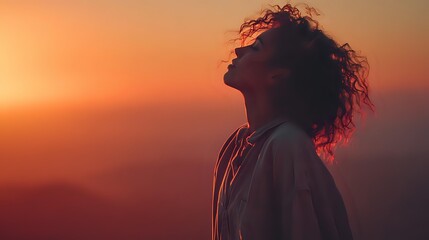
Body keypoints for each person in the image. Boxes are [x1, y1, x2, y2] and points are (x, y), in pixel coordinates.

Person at [211, 3, 375, 240]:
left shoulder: (288, 146)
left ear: (277, 74)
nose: (239, 50)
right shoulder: (233, 148)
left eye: (256, 48)